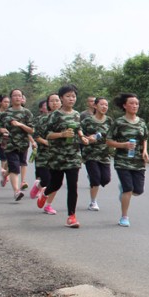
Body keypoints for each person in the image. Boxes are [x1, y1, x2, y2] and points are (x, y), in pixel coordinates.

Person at [43, 85, 89, 228]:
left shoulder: (76, 114)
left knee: (72, 186)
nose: (71, 99)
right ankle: (44, 194)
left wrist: (83, 137)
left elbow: (78, 128)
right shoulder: (55, 115)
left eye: (73, 96)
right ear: (62, 98)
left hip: (73, 155)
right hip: (57, 156)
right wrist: (62, 135)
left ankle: (71, 216)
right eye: (68, 96)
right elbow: (47, 134)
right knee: (56, 184)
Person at [106, 93, 149, 228]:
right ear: (125, 105)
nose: (134, 106)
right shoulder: (119, 122)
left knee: (138, 190)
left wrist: (144, 151)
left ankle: (124, 190)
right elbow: (108, 141)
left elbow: (145, 138)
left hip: (138, 161)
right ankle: (124, 217)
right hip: (122, 161)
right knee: (128, 189)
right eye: (131, 103)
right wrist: (123, 145)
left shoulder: (141, 122)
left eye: (136, 103)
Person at [0, 88, 34, 201]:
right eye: (15, 95)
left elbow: (32, 130)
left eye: (19, 95)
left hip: (23, 144)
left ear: (22, 98)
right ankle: (16, 191)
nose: (17, 97)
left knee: (18, 165)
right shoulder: (5, 114)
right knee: (14, 167)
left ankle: (5, 175)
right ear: (11, 98)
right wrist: (4, 131)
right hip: (9, 144)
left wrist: (20, 125)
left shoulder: (27, 113)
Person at [81, 97, 113, 211]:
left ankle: (93, 176)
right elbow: (79, 135)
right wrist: (87, 138)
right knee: (96, 179)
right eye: (102, 104)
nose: (104, 107)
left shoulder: (109, 121)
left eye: (106, 105)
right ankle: (93, 202)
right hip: (90, 154)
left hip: (104, 154)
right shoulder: (87, 121)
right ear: (95, 106)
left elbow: (113, 135)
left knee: (106, 179)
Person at [34, 94, 61, 215]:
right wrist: (46, 142)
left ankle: (48, 205)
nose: (55, 103)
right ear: (48, 104)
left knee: (55, 182)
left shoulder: (65, 118)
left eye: (57, 101)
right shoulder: (43, 119)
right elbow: (36, 136)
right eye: (52, 101)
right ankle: (38, 185)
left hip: (59, 155)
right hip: (44, 155)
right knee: (46, 179)